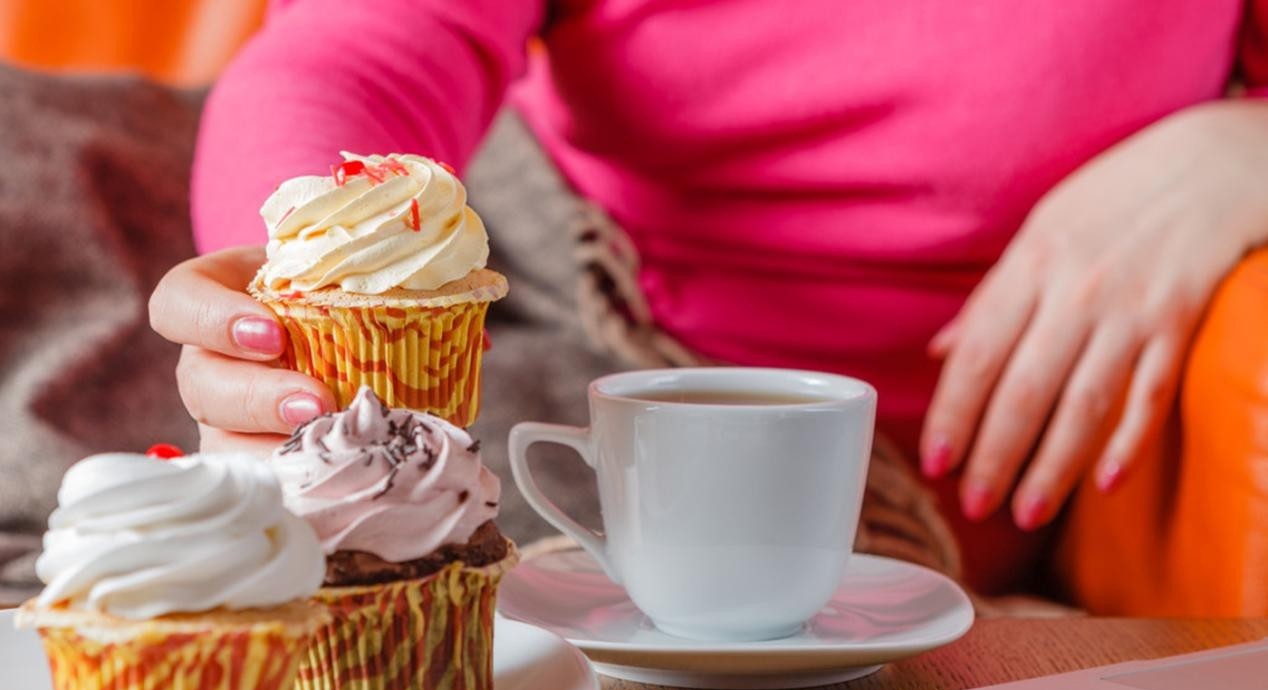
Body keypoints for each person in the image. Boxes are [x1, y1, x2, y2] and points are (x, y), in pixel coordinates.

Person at [149, 0, 1268, 593]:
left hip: (772, 446)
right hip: (529, 237)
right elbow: (366, 48)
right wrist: (297, 305)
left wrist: (1246, 148)